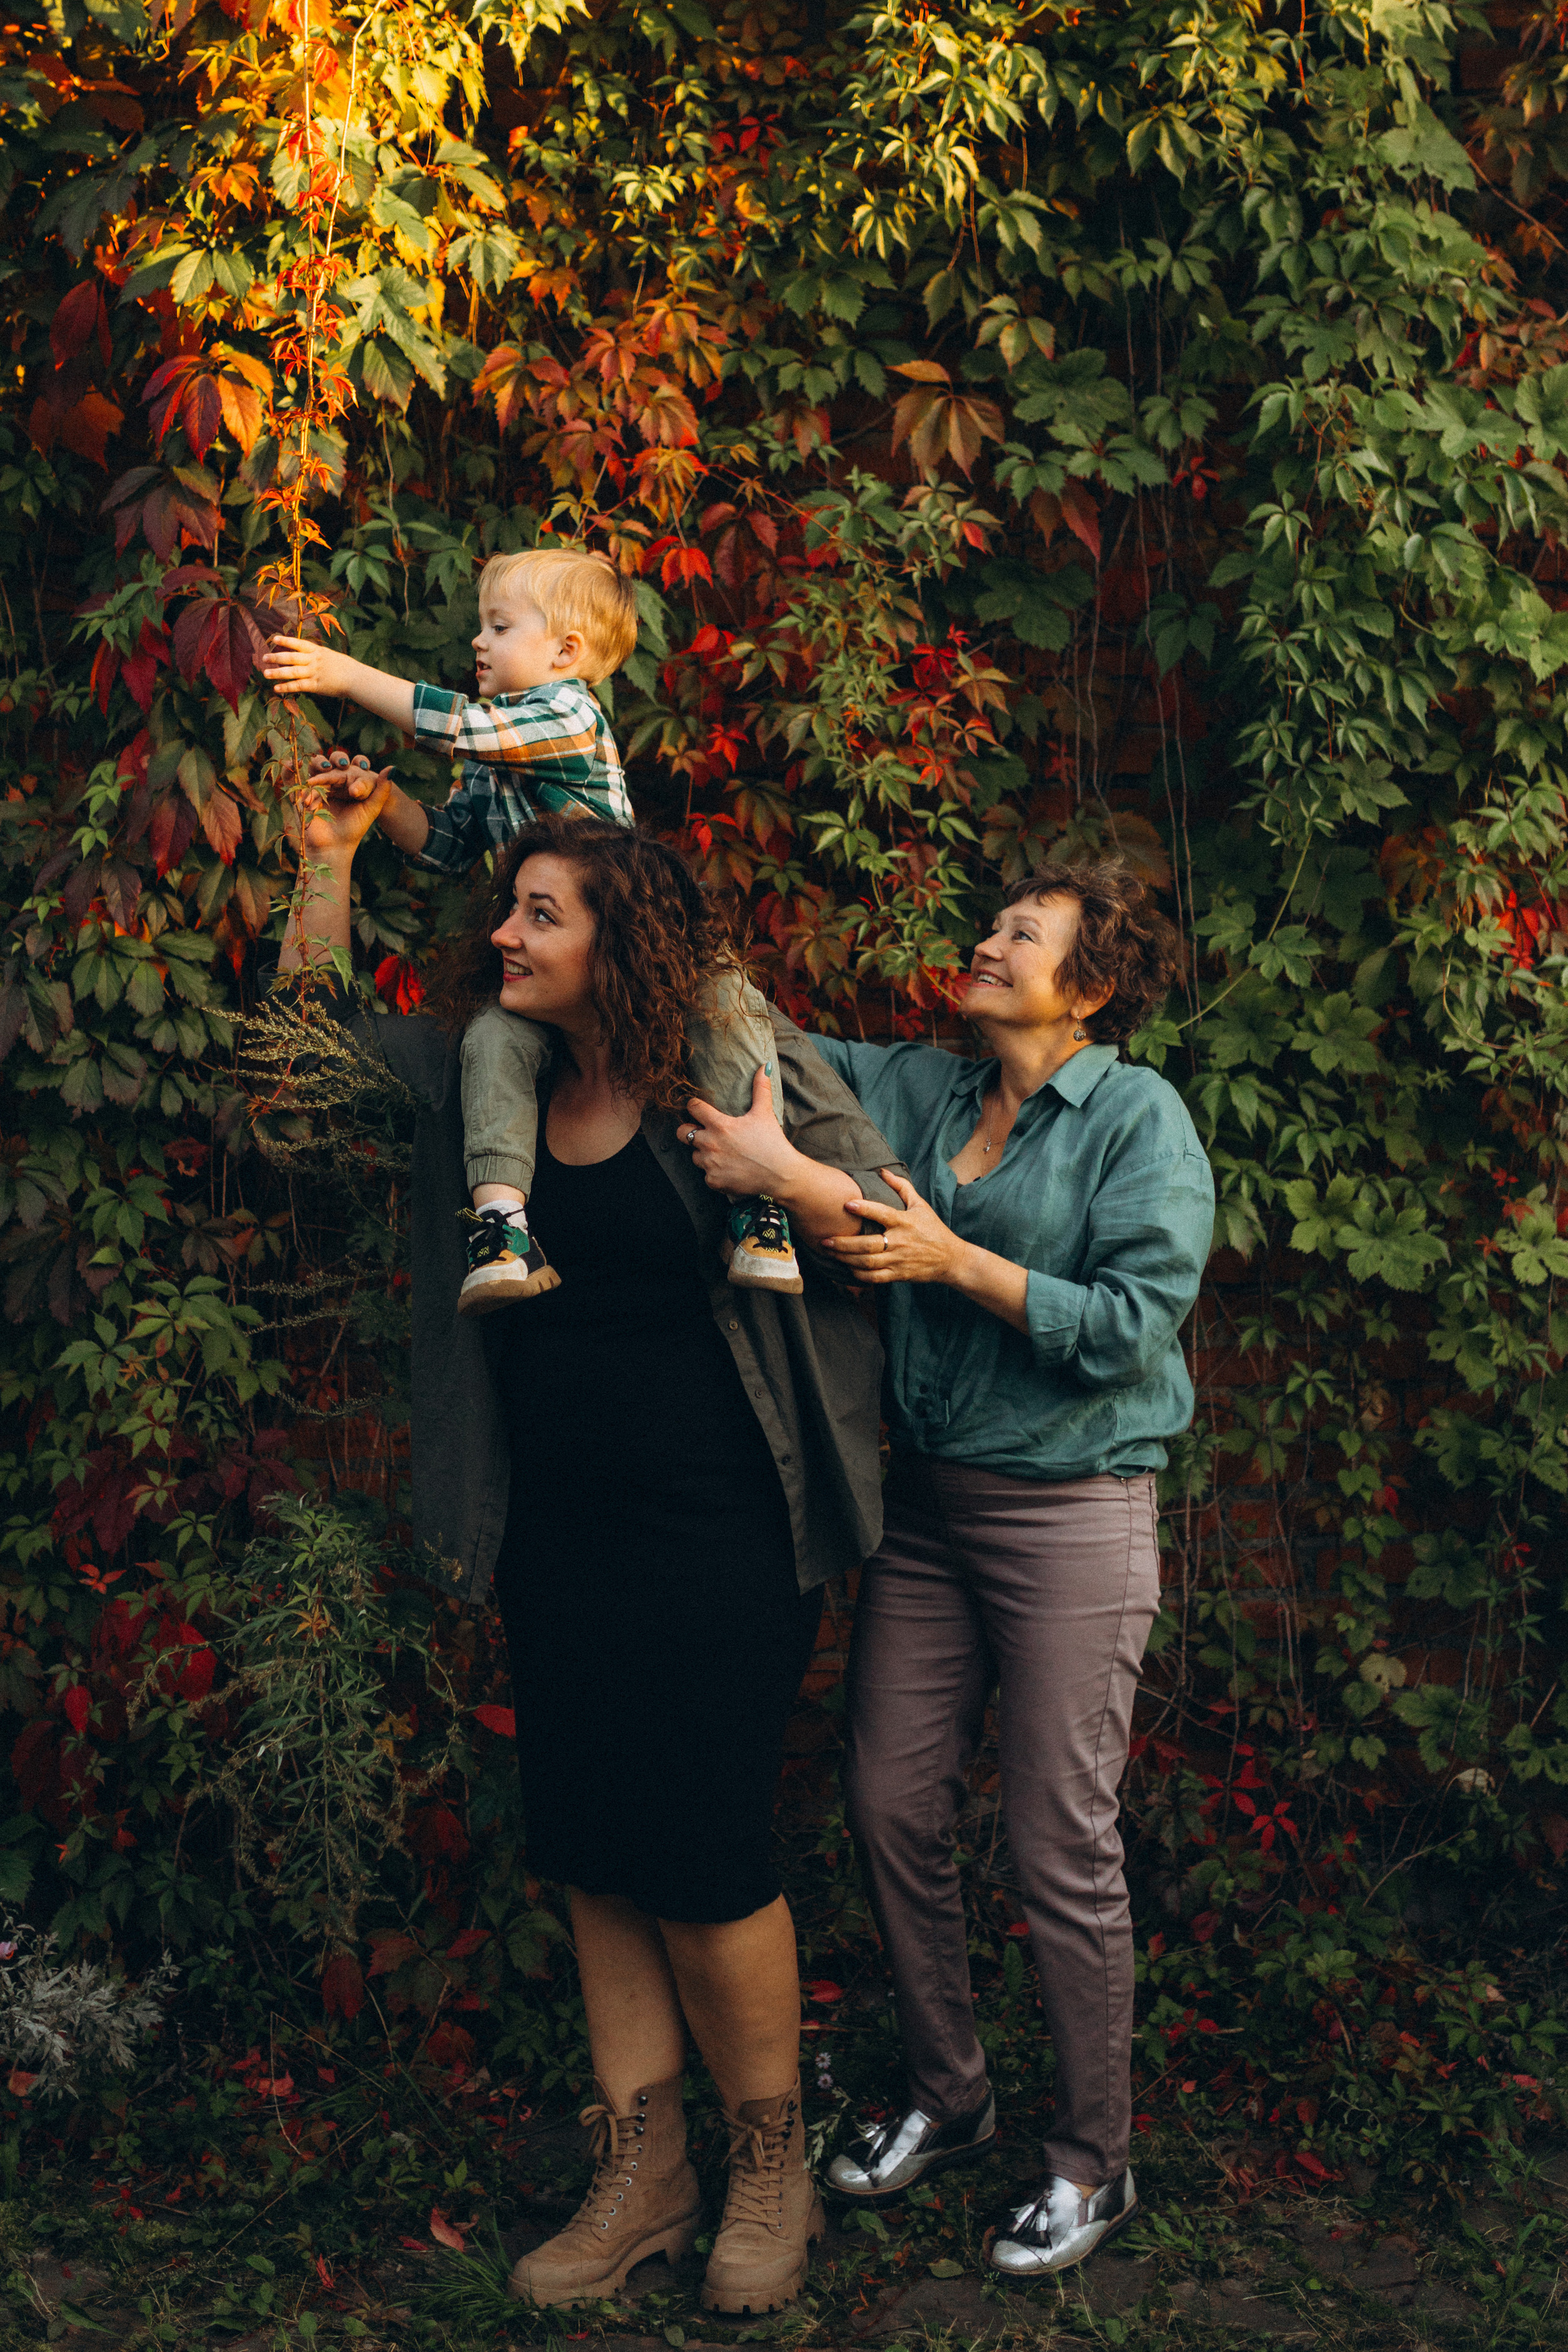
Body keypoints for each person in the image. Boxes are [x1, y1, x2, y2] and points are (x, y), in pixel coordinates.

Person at [273, 785, 905, 2317]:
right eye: (507, 908)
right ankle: (646, 2171)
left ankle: (767, 2166)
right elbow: (305, 1062)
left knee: (702, 1851)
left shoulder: (727, 1066)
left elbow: (888, 1219)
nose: (503, 932)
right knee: (589, 1850)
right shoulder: (488, 1083)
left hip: (721, 1530)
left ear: (620, 935)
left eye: (539, 912)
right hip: (554, 1531)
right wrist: (323, 862)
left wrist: (775, 1173)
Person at [687, 861, 1213, 2277]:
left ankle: (1090, 2162)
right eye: (990, 924)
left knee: (1057, 1840)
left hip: (1069, 1513)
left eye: (1019, 935)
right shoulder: (911, 1086)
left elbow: (1132, 1326)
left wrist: (949, 1258)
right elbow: (757, 1036)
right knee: (886, 1795)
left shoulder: (1134, 1118)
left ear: (1088, 984)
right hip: (921, 1508)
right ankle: (950, 2088)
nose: (982, 943)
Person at [260, 544, 803, 1314]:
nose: (478, 642)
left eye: (499, 626)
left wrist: (345, 676)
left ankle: (762, 1205)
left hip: (640, 946)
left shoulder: (566, 711)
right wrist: (381, 811)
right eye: (483, 626)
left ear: (565, 652)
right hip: (560, 969)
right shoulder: (491, 754)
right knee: (491, 1041)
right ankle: (503, 1228)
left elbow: (458, 727)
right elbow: (449, 846)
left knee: (724, 1002)